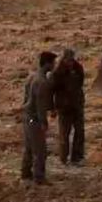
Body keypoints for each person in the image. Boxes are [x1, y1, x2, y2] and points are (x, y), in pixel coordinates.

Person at [21, 51, 56, 184]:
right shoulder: (42, 82)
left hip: (26, 116)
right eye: (53, 63)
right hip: (34, 119)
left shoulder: (32, 77)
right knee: (40, 151)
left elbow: (27, 99)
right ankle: (39, 178)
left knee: (29, 148)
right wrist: (44, 122)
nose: (54, 65)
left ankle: (25, 174)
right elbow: (40, 106)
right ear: (47, 63)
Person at [51, 48, 85, 165]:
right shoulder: (57, 73)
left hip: (77, 104)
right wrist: (53, 108)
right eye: (67, 60)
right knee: (64, 135)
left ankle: (77, 157)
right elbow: (52, 90)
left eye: (71, 60)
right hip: (64, 108)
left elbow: (80, 84)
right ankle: (63, 158)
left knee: (80, 132)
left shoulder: (78, 68)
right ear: (63, 59)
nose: (70, 63)